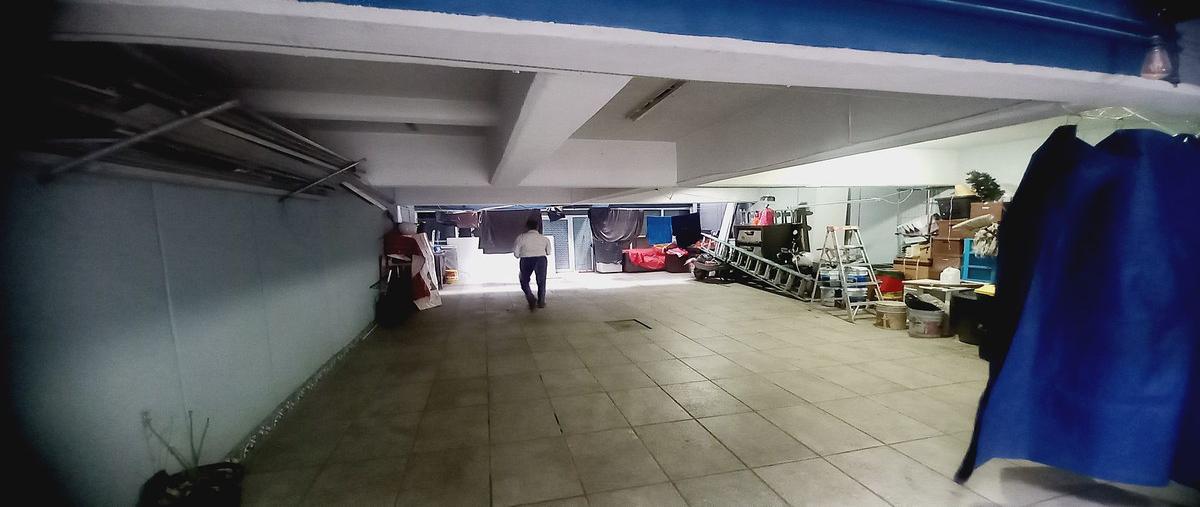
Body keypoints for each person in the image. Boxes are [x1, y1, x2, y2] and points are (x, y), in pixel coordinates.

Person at [512, 216, 551, 310]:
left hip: (526, 260)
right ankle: (541, 302)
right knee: (541, 281)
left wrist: (521, 255)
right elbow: (548, 252)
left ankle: (530, 298)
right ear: (537, 227)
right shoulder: (544, 238)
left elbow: (516, 253)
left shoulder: (521, 238)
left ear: (527, 227)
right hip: (541, 259)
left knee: (524, 280)